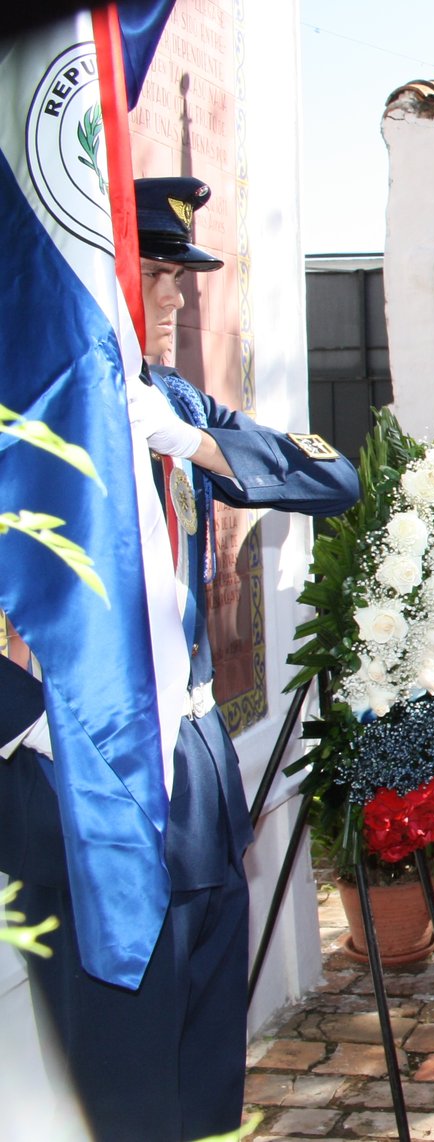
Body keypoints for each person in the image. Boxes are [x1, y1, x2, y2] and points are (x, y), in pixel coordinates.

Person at [0, 177, 360, 1141]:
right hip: (75, 774)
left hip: (194, 775)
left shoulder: (168, 399)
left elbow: (333, 478)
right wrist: (23, 716)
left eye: (179, 276)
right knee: (118, 1075)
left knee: (203, 1057)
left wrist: (191, 440)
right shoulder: (18, 418)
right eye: (152, 272)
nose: (173, 298)